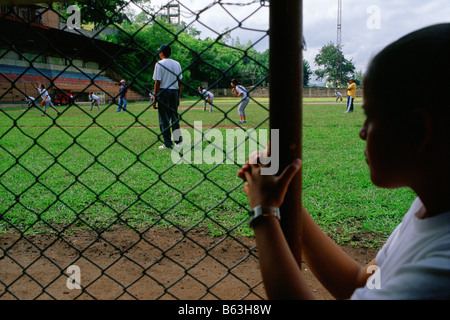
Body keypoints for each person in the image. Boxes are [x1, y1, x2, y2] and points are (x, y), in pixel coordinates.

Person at [237, 23, 450, 300]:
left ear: (419, 131)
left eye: (371, 118)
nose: (362, 133)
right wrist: (286, 198)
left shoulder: (440, 269)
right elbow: (359, 282)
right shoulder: (430, 207)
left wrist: (263, 213)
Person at [152, 44, 183, 150]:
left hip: (163, 92)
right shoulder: (177, 64)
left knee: (164, 119)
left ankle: (168, 143)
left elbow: (157, 82)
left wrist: (155, 97)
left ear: (161, 53)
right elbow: (179, 82)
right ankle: (178, 142)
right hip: (174, 92)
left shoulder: (159, 64)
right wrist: (178, 97)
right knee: (174, 117)